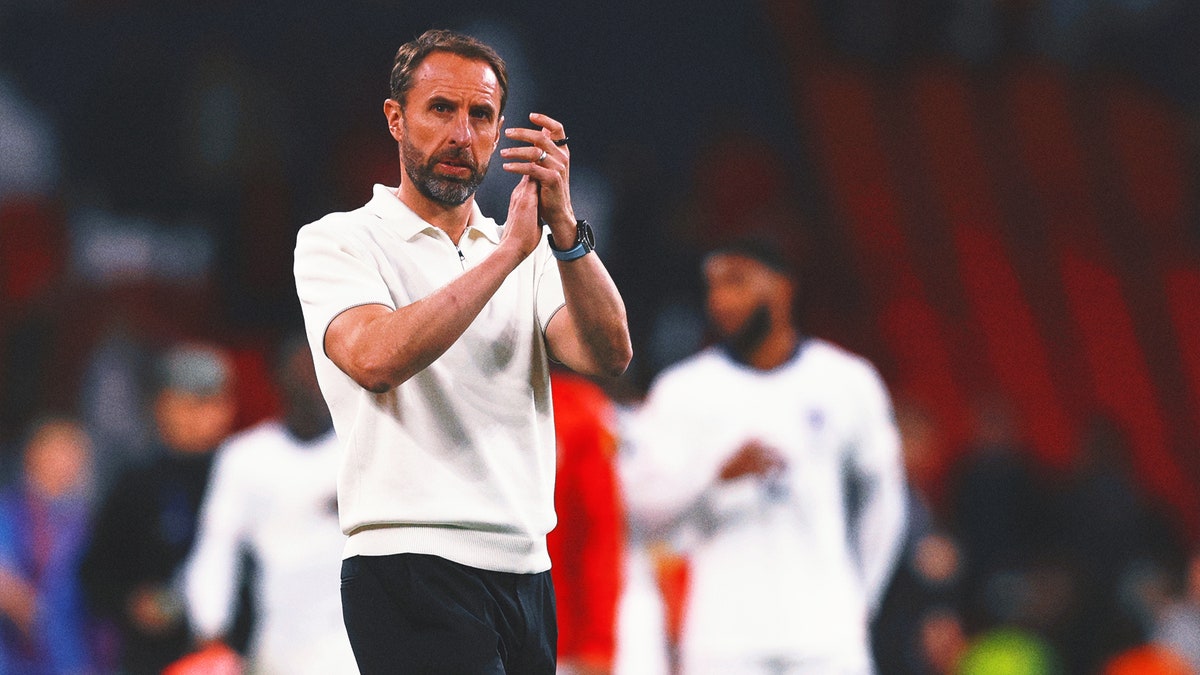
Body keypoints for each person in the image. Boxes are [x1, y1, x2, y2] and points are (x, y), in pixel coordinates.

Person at [292, 28, 631, 674]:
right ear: (395, 118)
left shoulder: (532, 250)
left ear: (499, 130)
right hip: (409, 560)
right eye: (441, 109)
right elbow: (374, 358)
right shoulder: (341, 241)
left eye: (480, 115)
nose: (461, 134)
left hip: (526, 567)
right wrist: (508, 256)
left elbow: (609, 353)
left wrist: (565, 231)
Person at [626, 238, 907, 674]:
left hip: (827, 637)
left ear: (783, 287)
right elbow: (639, 506)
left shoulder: (846, 380)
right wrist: (713, 476)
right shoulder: (681, 390)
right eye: (713, 287)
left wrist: (860, 597)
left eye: (736, 282)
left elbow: (884, 498)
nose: (720, 300)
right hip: (723, 638)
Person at [177, 335, 356, 674]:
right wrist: (210, 628)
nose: (312, 383)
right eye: (301, 372)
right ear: (278, 379)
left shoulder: (356, 450)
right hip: (279, 642)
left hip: (350, 639)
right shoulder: (245, 457)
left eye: (320, 370)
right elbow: (217, 548)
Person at [80, 342, 239, 674]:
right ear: (161, 406)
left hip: (237, 651)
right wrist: (132, 602)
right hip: (157, 657)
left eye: (212, 403)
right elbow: (95, 574)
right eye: (188, 404)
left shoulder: (245, 474)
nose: (201, 416)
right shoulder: (136, 482)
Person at [0, 415, 96, 675]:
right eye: (58, 451)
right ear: (32, 454)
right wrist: (30, 609)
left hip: (72, 657)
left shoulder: (84, 522)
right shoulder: (8, 511)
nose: (67, 462)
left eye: (74, 453)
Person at [547, 368, 626, 675]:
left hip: (558, 641)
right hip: (463, 625)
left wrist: (598, 642)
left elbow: (600, 532)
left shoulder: (577, 407)